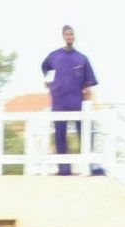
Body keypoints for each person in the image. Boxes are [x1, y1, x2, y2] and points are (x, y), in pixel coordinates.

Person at [42, 25, 97, 176]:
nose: (69, 37)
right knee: (60, 135)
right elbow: (45, 69)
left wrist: (87, 96)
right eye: (67, 35)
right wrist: (48, 82)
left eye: (72, 35)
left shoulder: (82, 58)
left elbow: (89, 83)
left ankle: (89, 166)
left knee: (84, 132)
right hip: (58, 101)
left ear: (74, 36)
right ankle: (64, 169)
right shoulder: (53, 56)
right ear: (63, 36)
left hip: (76, 102)